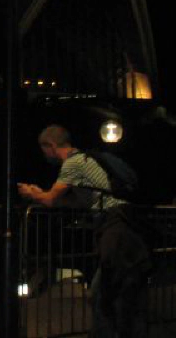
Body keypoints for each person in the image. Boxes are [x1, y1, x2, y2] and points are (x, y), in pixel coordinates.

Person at [17, 125, 151, 338]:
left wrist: (32, 194)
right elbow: (73, 202)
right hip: (125, 227)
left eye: (44, 150)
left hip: (115, 228)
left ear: (51, 146)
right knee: (118, 293)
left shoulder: (72, 163)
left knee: (105, 294)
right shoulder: (86, 160)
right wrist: (41, 194)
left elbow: (52, 198)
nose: (45, 156)